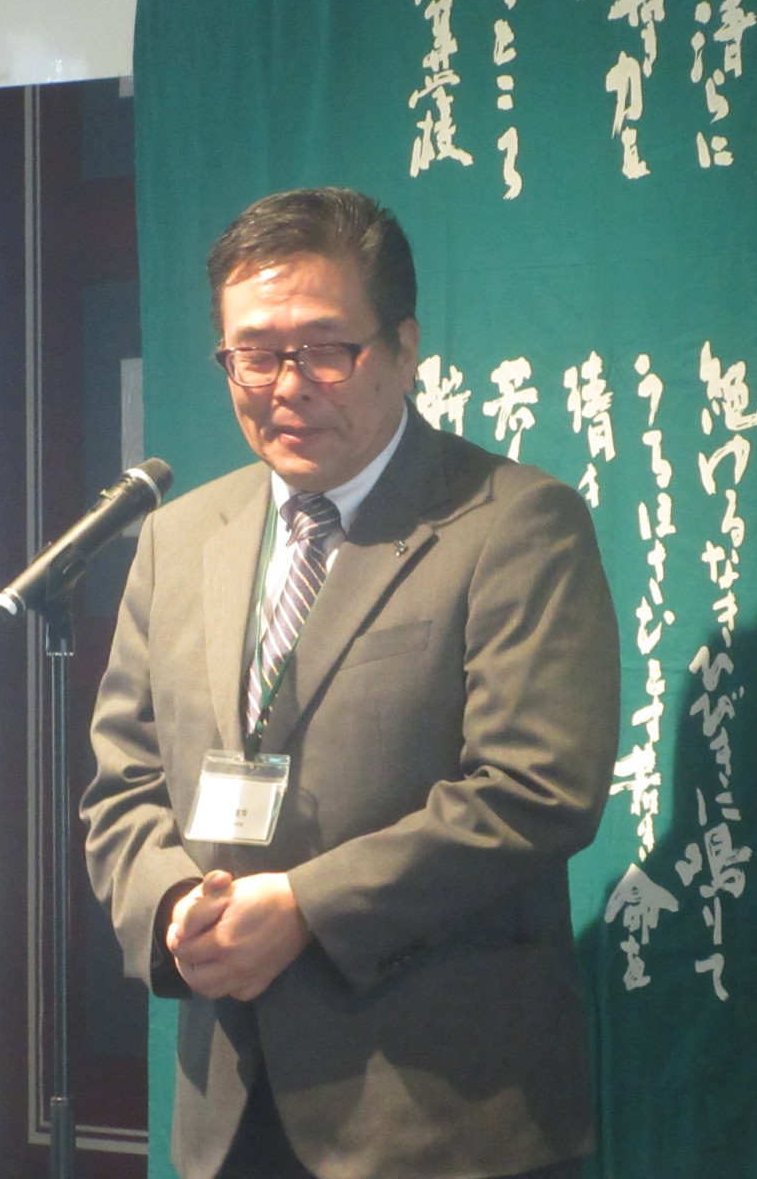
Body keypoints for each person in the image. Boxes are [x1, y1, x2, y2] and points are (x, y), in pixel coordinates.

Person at [82, 187, 621, 1179]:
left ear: (404, 348)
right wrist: (171, 909)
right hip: (228, 1105)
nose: (287, 386)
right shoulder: (178, 537)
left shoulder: (512, 523)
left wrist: (305, 906)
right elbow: (123, 783)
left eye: (324, 350)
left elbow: (535, 789)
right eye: (253, 353)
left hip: (436, 1111)